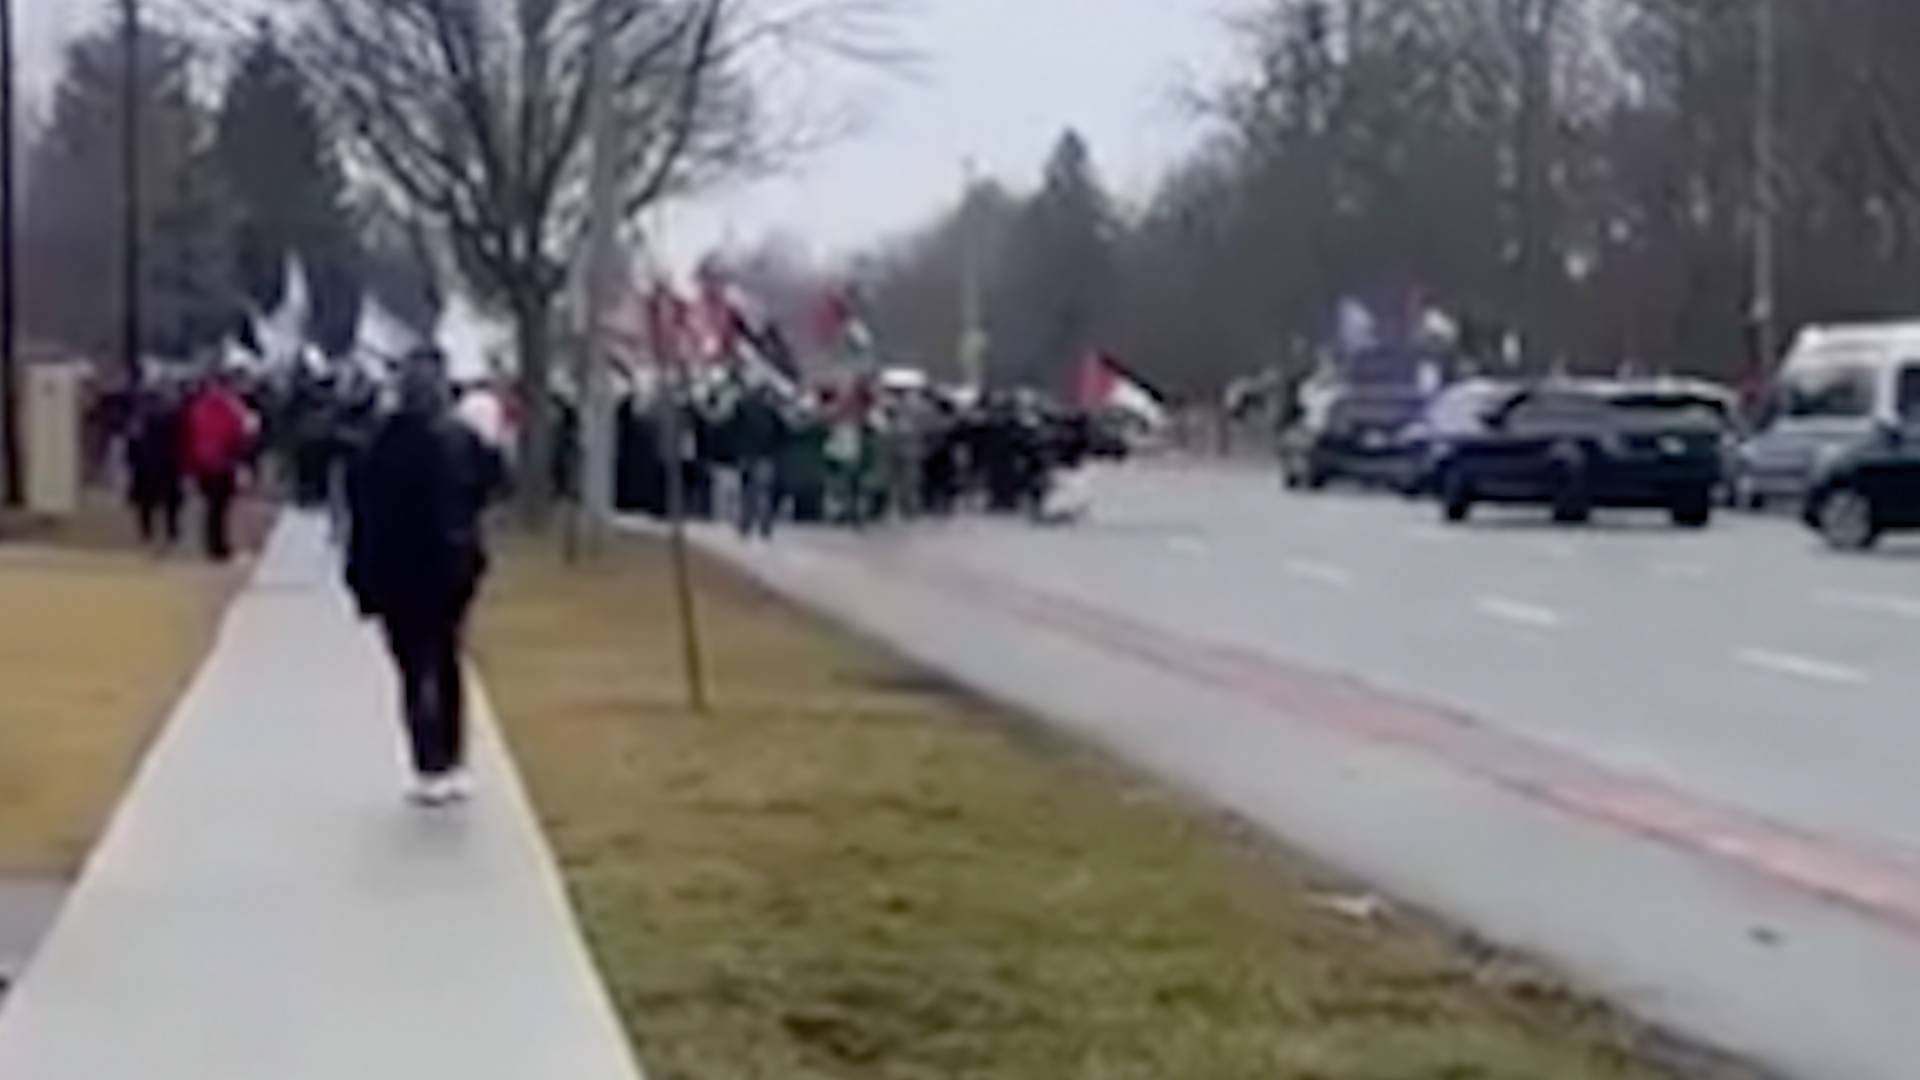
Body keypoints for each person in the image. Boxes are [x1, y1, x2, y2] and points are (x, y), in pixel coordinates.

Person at [347, 349, 504, 807]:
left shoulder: (377, 444)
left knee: (414, 669)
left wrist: (361, 577)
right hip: (449, 567)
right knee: (448, 660)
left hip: (398, 572)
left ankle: (427, 763)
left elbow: (365, 517)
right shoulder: (461, 439)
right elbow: (491, 486)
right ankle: (453, 760)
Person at [180, 372, 255, 562]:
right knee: (220, 506)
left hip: (204, 462)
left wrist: (190, 464)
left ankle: (213, 543)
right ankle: (218, 545)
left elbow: (190, 436)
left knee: (212, 506)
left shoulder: (199, 408)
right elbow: (241, 434)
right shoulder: (232, 408)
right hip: (223, 463)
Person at [126, 386, 185, 551]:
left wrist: (132, 461)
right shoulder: (174, 418)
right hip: (168, 463)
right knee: (169, 501)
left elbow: (132, 443)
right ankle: (171, 530)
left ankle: (147, 531)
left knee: (146, 502)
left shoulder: (140, 419)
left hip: (146, 464)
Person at [732, 382, 787, 539]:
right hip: (765, 455)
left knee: (748, 491)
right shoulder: (771, 412)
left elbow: (735, 431)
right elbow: (781, 432)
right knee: (763, 492)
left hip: (748, 454)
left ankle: (746, 524)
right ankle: (764, 526)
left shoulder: (743, 409)